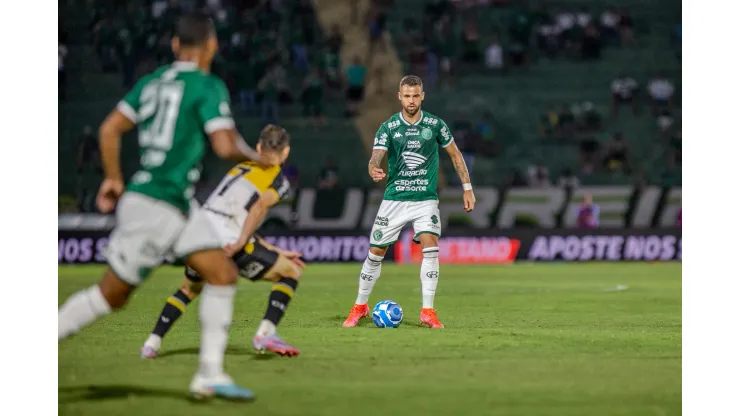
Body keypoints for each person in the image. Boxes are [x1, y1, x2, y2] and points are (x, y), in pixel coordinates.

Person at [57, 12, 271, 401]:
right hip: (156, 206)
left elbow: (109, 129)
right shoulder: (207, 87)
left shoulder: (151, 82)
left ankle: (209, 374)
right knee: (112, 295)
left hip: (173, 203)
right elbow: (223, 145)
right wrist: (259, 159)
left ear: (175, 45)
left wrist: (113, 178)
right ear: (212, 46)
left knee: (222, 274)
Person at [141, 125, 304, 359]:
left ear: (259, 147)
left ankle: (151, 344)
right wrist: (240, 243)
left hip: (199, 231)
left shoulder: (241, 168)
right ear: (286, 151)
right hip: (227, 239)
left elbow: (238, 213)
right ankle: (266, 333)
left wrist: (272, 249)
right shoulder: (279, 180)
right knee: (290, 272)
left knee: (188, 289)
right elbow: (257, 208)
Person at [342, 75, 475, 329]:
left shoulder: (435, 125)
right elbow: (376, 156)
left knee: (430, 246)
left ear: (422, 95)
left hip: (425, 199)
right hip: (395, 199)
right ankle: (360, 306)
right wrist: (373, 167)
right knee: (375, 254)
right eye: (407, 96)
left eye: (416, 95)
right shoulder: (389, 127)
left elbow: (455, 155)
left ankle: (427, 311)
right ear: (399, 97)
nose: (411, 100)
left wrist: (467, 188)